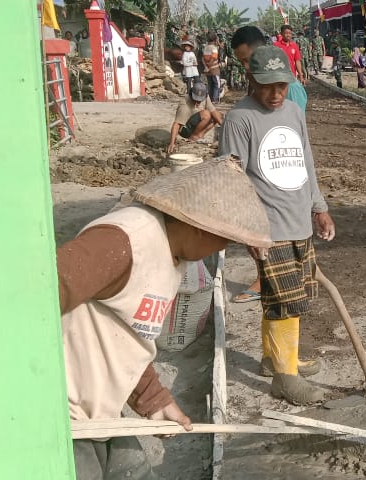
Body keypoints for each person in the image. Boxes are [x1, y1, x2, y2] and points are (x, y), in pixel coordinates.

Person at [59, 158, 272, 479]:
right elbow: (35, 297)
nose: (225, 246)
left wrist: (154, 400)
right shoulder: (122, 242)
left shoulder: (172, 252)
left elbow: (124, 338)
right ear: (200, 225)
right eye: (224, 238)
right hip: (65, 417)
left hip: (102, 412)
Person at [219, 46, 334, 404]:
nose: (276, 94)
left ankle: (274, 359)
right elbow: (231, 178)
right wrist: (249, 228)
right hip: (268, 226)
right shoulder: (240, 119)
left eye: (282, 85)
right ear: (250, 80)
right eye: (267, 86)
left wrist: (319, 206)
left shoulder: (295, 112)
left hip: (299, 219)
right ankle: (285, 378)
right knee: (285, 299)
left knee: (289, 297)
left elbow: (306, 161)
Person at [231, 25, 307, 113]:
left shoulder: (291, 88)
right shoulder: (254, 82)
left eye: (248, 60)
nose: (245, 67)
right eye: (241, 62)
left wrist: (301, 75)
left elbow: (295, 123)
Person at [167, 81, 223, 153]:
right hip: (185, 129)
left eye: (200, 100)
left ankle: (199, 136)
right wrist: (172, 143)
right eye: (196, 99)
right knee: (206, 114)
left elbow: (214, 112)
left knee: (218, 116)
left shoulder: (205, 97)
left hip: (195, 123)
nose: (198, 102)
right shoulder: (184, 104)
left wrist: (223, 126)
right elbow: (176, 125)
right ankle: (194, 137)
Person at [203, 32, 223, 103]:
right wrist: (209, 66)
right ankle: (215, 99)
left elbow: (203, 59)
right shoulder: (214, 48)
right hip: (214, 69)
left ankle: (210, 99)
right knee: (217, 84)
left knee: (210, 85)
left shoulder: (206, 48)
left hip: (208, 71)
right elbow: (214, 58)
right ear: (215, 40)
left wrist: (206, 66)